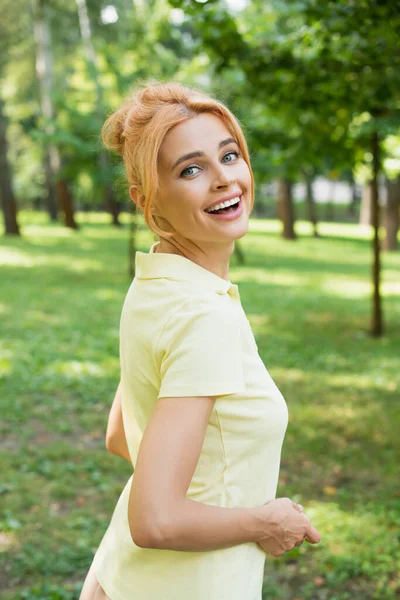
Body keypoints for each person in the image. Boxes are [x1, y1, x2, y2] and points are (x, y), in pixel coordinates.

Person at [79, 81, 321, 600]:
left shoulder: (156, 284)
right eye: (190, 169)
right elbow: (156, 520)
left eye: (229, 155)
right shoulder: (202, 315)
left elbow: (122, 436)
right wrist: (267, 520)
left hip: (121, 577)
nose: (223, 179)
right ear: (148, 200)